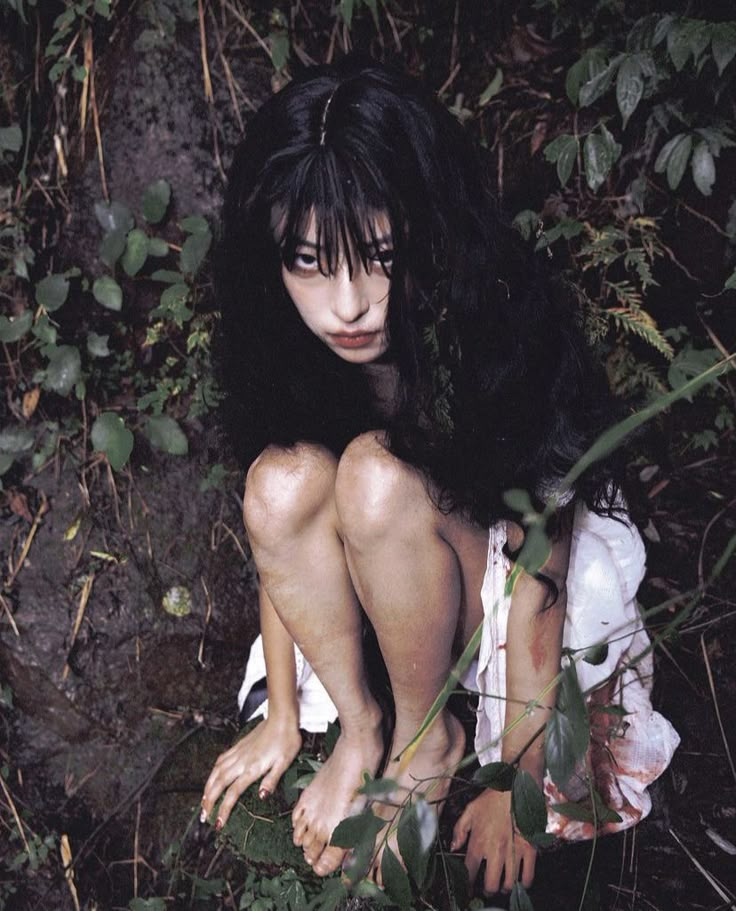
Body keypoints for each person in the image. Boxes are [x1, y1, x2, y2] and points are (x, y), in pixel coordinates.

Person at [200, 55, 679, 894]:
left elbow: (543, 557)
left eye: (379, 255)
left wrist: (520, 776)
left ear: (427, 226)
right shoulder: (281, 338)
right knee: (279, 479)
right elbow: (280, 530)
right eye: (309, 261)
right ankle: (363, 726)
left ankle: (431, 748)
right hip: (382, 574)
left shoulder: (490, 318)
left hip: (493, 583)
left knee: (374, 474)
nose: (347, 303)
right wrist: (283, 715)